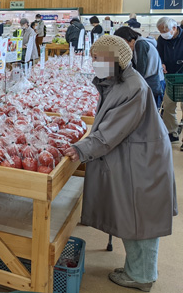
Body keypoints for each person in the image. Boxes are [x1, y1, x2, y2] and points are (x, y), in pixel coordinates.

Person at [64, 35, 177, 293]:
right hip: (137, 156)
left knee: (141, 219)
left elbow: (110, 133)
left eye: (98, 59)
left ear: (115, 61)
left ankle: (142, 276)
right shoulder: (119, 81)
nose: (93, 64)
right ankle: (136, 270)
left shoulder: (132, 88)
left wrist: (80, 149)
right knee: (134, 217)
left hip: (143, 161)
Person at [114, 26, 165, 108]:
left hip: (153, 84)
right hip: (151, 82)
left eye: (123, 43)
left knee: (151, 115)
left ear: (129, 39)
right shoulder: (138, 44)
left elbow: (141, 70)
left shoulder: (140, 44)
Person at [156, 17, 183, 146]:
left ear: (174, 28)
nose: (163, 34)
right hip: (170, 77)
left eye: (165, 30)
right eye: (160, 31)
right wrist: (161, 63)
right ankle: (172, 132)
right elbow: (158, 54)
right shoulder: (162, 39)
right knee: (168, 105)